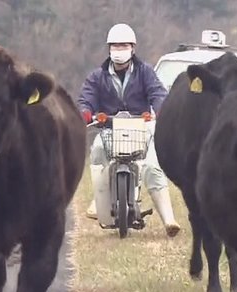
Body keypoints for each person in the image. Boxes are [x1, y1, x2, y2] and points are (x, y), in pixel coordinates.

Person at [77, 23, 181, 237]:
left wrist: (162, 112)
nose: (118, 50)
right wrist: (86, 113)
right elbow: (86, 99)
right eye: (114, 46)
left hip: (140, 128)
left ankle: (169, 219)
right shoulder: (97, 76)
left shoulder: (146, 72)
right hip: (108, 129)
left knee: (152, 167)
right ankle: (100, 201)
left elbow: (158, 94)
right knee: (97, 152)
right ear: (108, 49)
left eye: (123, 45)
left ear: (133, 48)